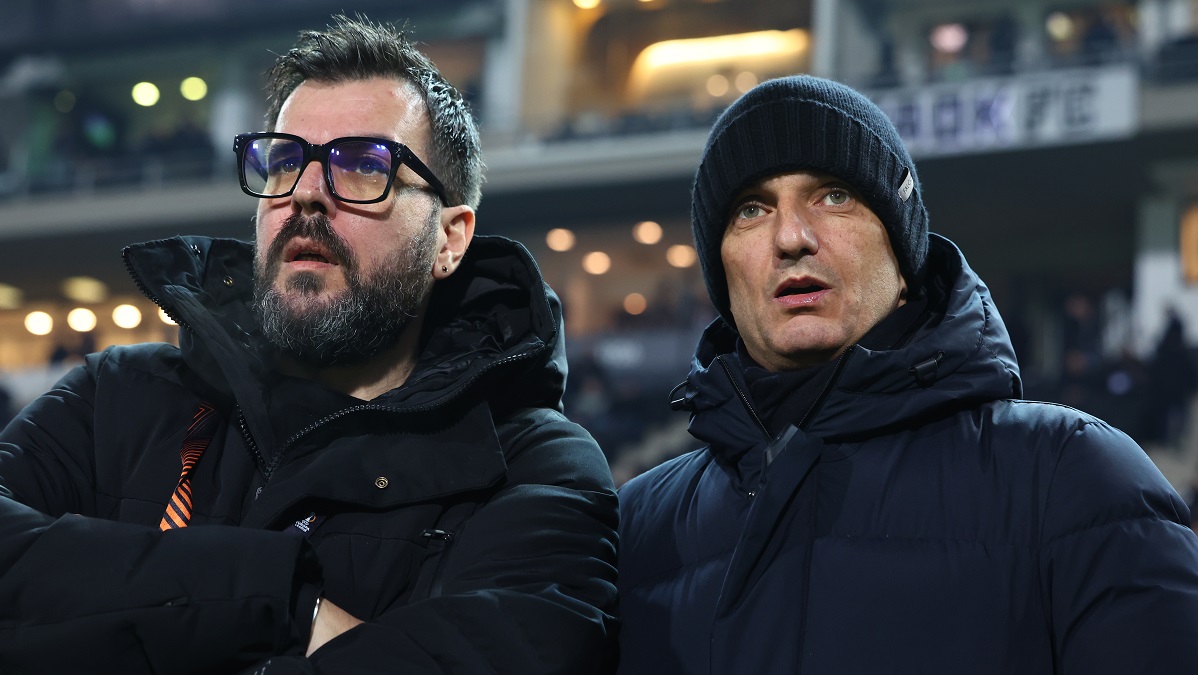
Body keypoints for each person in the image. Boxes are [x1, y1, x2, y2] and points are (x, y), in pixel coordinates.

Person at [0, 16, 617, 674]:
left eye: (364, 165)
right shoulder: (117, 397)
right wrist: (285, 602)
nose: (306, 194)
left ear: (449, 238)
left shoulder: (532, 467)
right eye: (286, 161)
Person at [616, 75, 1198, 674]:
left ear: (902, 249)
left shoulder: (1074, 479)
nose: (791, 238)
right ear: (721, 269)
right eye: (751, 209)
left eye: (834, 196)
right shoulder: (632, 530)